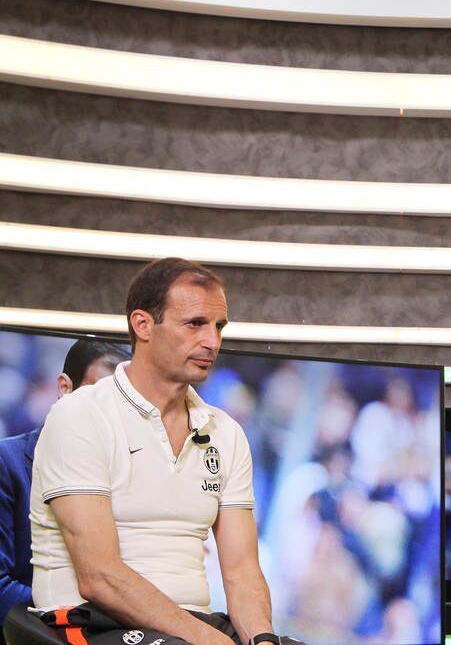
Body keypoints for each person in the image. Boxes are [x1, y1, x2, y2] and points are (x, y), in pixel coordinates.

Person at [28, 258, 293, 645]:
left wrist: (263, 639)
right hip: (91, 620)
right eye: (195, 324)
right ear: (143, 325)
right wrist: (210, 641)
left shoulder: (227, 433)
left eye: (218, 326)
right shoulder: (79, 414)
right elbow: (99, 577)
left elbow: (241, 573)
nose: (212, 341)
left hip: (191, 625)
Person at [0, 339, 127, 631]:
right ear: (64, 388)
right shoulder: (8, 462)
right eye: (98, 398)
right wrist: (96, 616)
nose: (112, 415)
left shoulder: (131, 474)